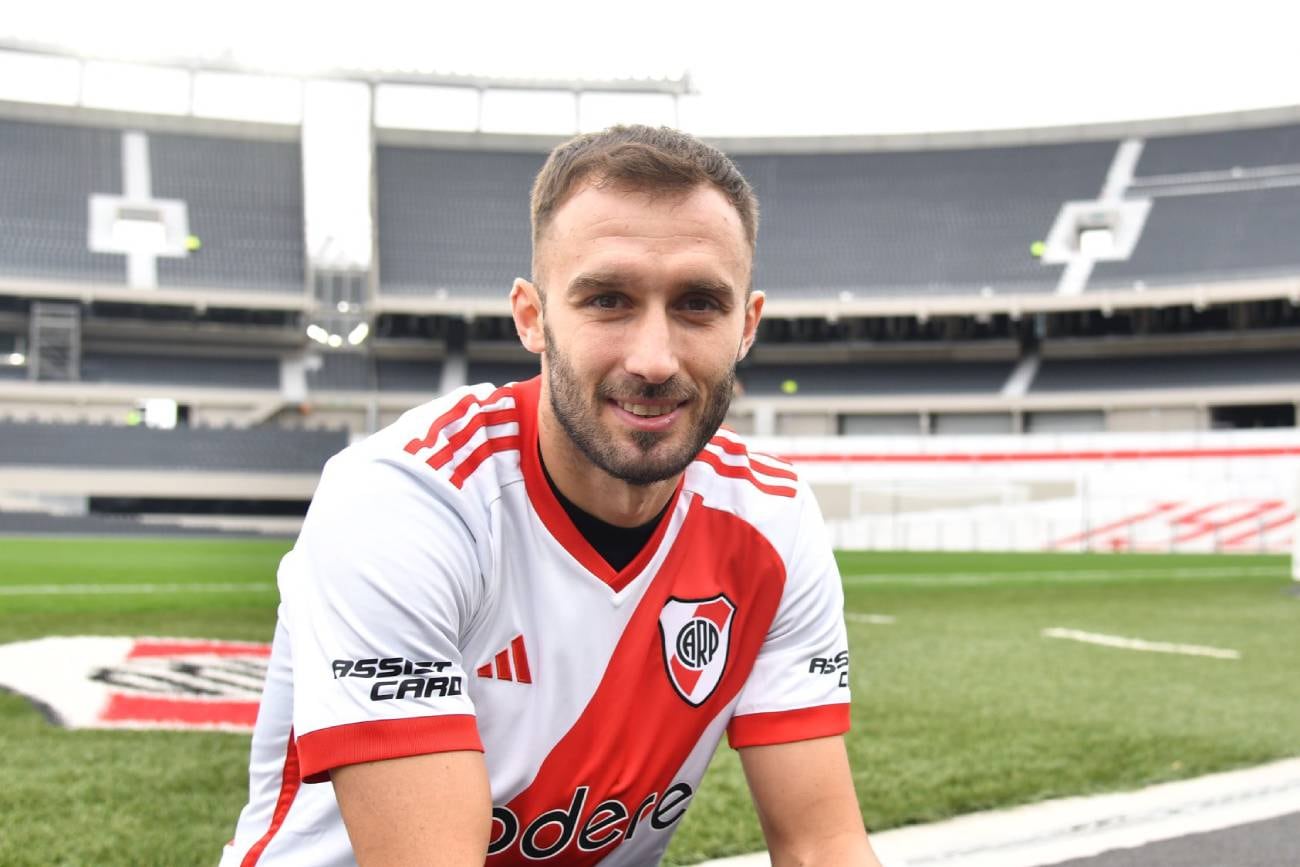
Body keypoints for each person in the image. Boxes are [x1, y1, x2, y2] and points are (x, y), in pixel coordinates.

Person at [221, 125, 882, 866]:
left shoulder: (772, 519)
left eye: (698, 304)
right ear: (533, 317)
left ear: (747, 326)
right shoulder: (406, 500)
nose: (654, 359)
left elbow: (823, 847)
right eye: (608, 299)